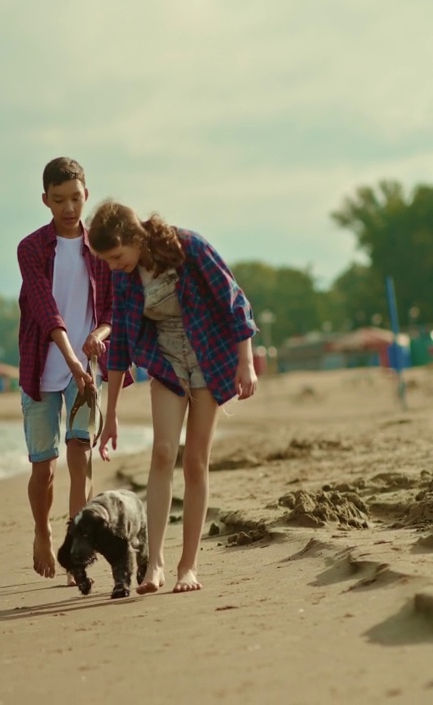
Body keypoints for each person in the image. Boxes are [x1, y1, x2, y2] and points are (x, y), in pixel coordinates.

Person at [88, 198, 258, 594]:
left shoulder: (189, 247)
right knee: (163, 454)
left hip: (208, 358)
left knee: (196, 462)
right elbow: (123, 345)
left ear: (134, 237)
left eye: (116, 256)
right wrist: (110, 414)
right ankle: (156, 565)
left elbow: (236, 302)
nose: (114, 266)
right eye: (107, 261)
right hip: (164, 362)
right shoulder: (125, 277)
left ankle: (188, 567)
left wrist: (245, 362)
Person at [16, 157, 117, 582]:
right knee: (45, 469)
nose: (69, 208)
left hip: (88, 371)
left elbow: (112, 308)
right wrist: (72, 360)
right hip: (43, 369)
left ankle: (77, 545)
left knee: (81, 459)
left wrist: (100, 334)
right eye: (59, 200)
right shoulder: (32, 248)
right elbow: (45, 309)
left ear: (86, 195)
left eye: (75, 198)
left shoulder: (102, 246)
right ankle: (42, 530)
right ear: (45, 201)